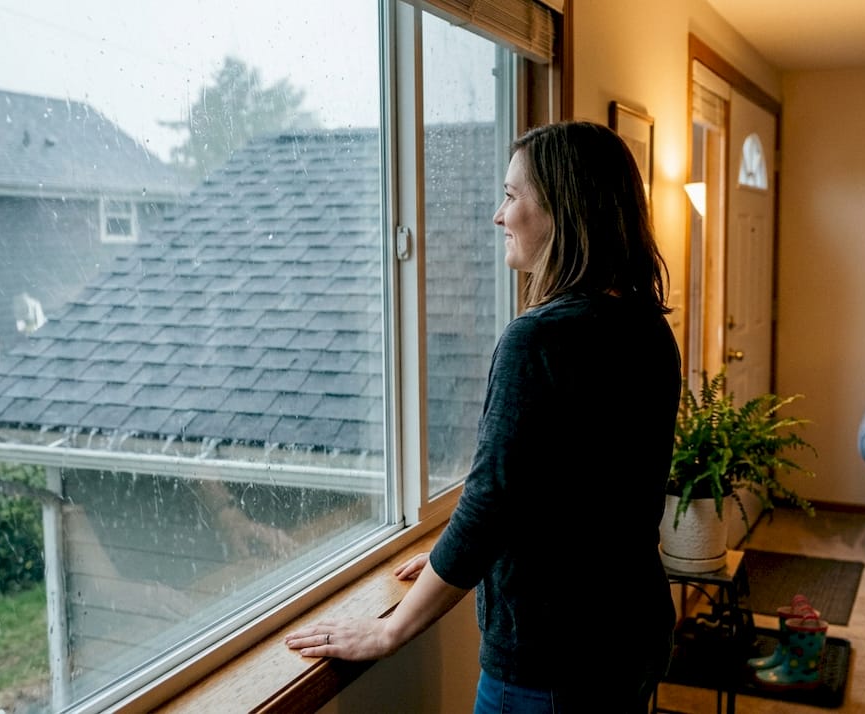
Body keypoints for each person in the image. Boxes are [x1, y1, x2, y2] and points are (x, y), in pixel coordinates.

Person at [284, 120, 682, 713]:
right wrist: (449, 552)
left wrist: (390, 631)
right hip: (632, 632)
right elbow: (573, 491)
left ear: (563, 210)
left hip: (553, 662)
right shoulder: (646, 327)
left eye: (511, 195)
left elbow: (492, 501)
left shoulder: (539, 340)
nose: (498, 216)